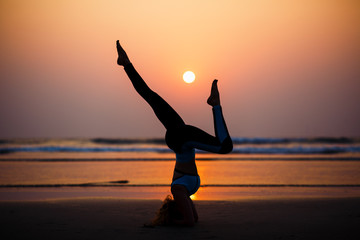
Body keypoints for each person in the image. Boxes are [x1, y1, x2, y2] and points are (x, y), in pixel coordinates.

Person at [116, 40, 233, 227]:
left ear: (175, 208)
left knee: (224, 147)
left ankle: (216, 105)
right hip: (181, 138)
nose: (185, 206)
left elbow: (188, 222)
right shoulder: (184, 192)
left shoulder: (178, 190)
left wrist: (167, 223)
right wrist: (175, 218)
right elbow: (193, 219)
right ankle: (126, 63)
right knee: (150, 97)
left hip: (180, 140)